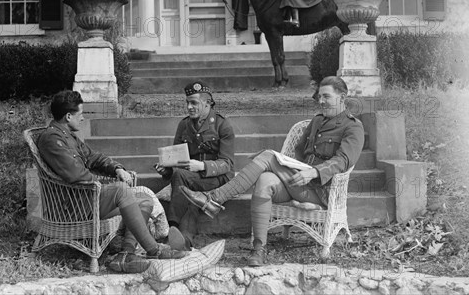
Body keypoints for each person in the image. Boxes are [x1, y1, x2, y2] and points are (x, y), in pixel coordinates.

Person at [180, 76, 364, 266]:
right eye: (319, 97)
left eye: (326, 97)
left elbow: (343, 160)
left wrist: (314, 172)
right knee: (265, 180)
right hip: (300, 183)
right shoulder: (317, 121)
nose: (321, 101)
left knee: (268, 156)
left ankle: (215, 198)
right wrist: (295, 170)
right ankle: (259, 249)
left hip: (323, 191)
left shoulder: (353, 127)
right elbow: (299, 151)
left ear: (342, 97)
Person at [38, 90, 187, 273]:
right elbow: (76, 175)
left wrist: (116, 168)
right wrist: (108, 184)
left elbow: (93, 158)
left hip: (85, 198)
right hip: (73, 205)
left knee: (144, 200)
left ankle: (125, 255)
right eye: (81, 114)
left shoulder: (68, 135)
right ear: (68, 116)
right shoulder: (52, 139)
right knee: (121, 190)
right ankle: (154, 250)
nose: (83, 118)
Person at [154, 81, 235, 251]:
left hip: (217, 178)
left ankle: (171, 227)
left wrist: (201, 165)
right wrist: (166, 169)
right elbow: (175, 158)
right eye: (187, 102)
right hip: (190, 179)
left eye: (194, 103)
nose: (189, 107)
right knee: (188, 195)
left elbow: (227, 164)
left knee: (182, 180)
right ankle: (184, 241)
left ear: (207, 103)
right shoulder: (184, 125)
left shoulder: (222, 125)